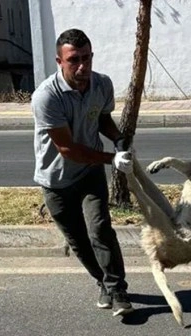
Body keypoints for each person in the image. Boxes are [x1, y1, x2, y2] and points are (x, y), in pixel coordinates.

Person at [31, 28, 134, 317]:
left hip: (89, 172)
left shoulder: (101, 85)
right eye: (74, 60)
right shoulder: (46, 97)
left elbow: (102, 118)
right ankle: (103, 281)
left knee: (99, 229)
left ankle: (118, 290)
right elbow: (67, 149)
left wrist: (119, 139)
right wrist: (111, 158)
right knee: (78, 240)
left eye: (87, 58)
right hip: (56, 180)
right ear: (59, 61)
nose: (82, 67)